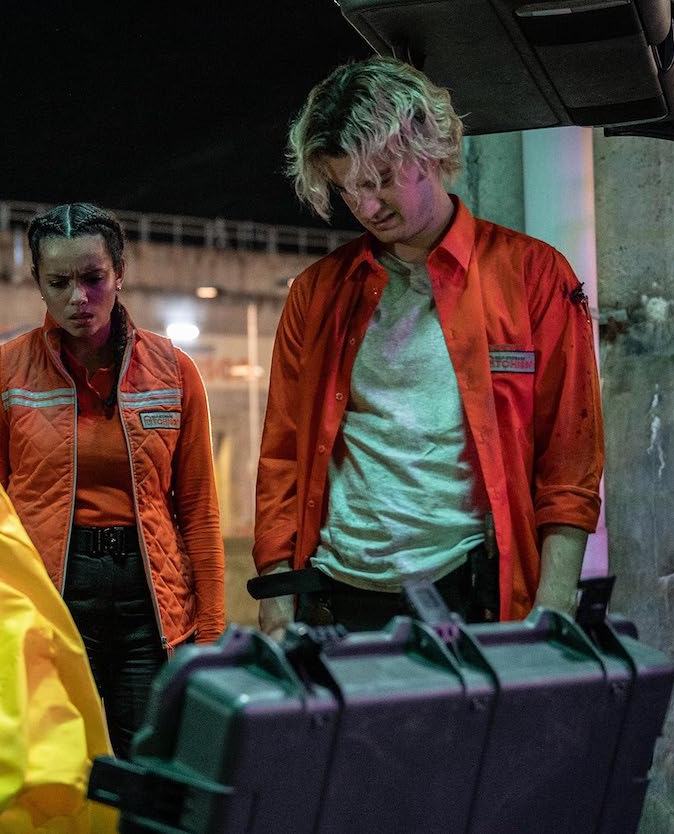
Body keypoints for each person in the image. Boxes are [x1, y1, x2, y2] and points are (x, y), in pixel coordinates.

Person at [253, 57, 604, 635]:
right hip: (337, 596)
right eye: (349, 189)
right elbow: (283, 457)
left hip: (470, 594)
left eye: (382, 178)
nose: (367, 207)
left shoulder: (534, 276)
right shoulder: (316, 295)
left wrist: (555, 601)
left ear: (431, 150)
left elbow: (570, 456)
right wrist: (276, 591)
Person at [0, 202, 226, 758]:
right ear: (38, 283)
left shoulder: (175, 372)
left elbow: (199, 508)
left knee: (147, 765)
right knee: (59, 763)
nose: (78, 298)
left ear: (119, 273)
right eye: (58, 283)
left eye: (93, 278)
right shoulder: (3, 375)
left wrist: (210, 630)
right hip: (50, 596)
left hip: (149, 600)